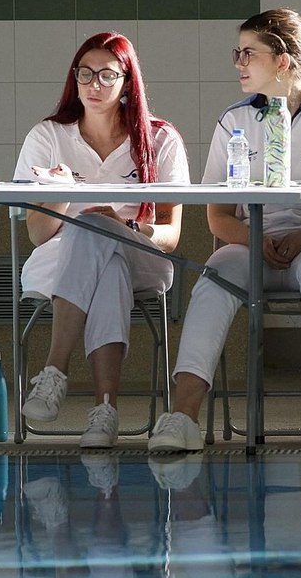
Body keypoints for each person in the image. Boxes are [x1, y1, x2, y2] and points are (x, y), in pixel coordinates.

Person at [147, 8, 301, 453]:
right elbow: (218, 218)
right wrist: (259, 242)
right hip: (250, 246)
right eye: (238, 53)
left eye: (248, 53)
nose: (239, 63)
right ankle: (182, 418)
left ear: (283, 60)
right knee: (214, 278)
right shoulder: (234, 120)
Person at [14, 32, 190, 449]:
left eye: (107, 75)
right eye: (85, 74)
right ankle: (105, 411)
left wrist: (124, 226)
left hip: (142, 257)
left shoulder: (160, 139)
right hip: (57, 259)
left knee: (100, 233)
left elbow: (170, 236)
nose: (94, 84)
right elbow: (38, 235)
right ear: (74, 79)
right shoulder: (47, 136)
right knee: (101, 256)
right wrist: (62, 195)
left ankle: (55, 369)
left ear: (128, 82)